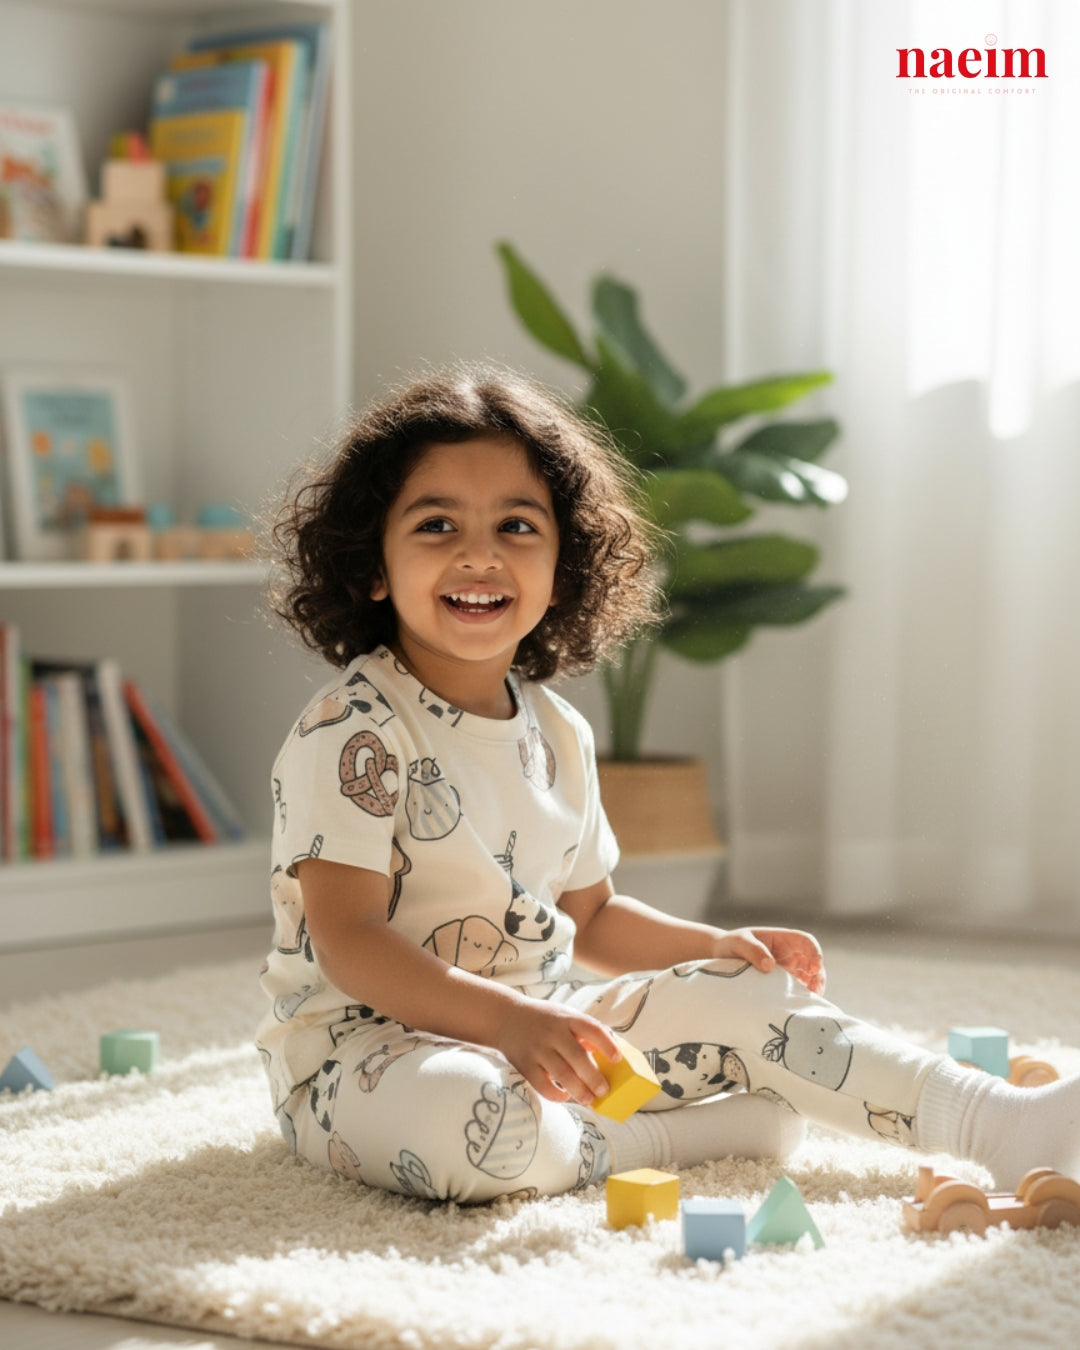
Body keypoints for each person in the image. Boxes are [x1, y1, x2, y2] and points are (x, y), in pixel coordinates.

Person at [256, 364, 1079, 1204]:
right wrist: (507, 1024)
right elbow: (349, 940)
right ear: (374, 567)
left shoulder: (561, 733)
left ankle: (999, 1122)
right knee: (476, 1121)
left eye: (516, 525)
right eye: (436, 525)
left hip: (542, 1030)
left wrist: (711, 949)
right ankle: (675, 1136)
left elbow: (595, 918)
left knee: (750, 992)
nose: (480, 554)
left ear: (563, 566)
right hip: (362, 1057)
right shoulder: (352, 729)